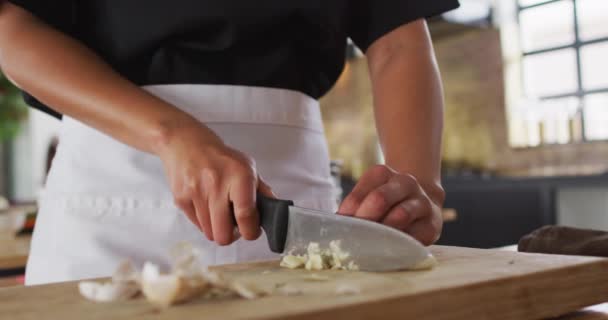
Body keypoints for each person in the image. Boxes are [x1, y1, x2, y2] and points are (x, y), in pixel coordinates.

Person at [0, 1, 459, 285]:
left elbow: (400, 42)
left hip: (295, 209)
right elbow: (13, 30)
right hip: (111, 194)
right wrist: (170, 133)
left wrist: (419, 185)